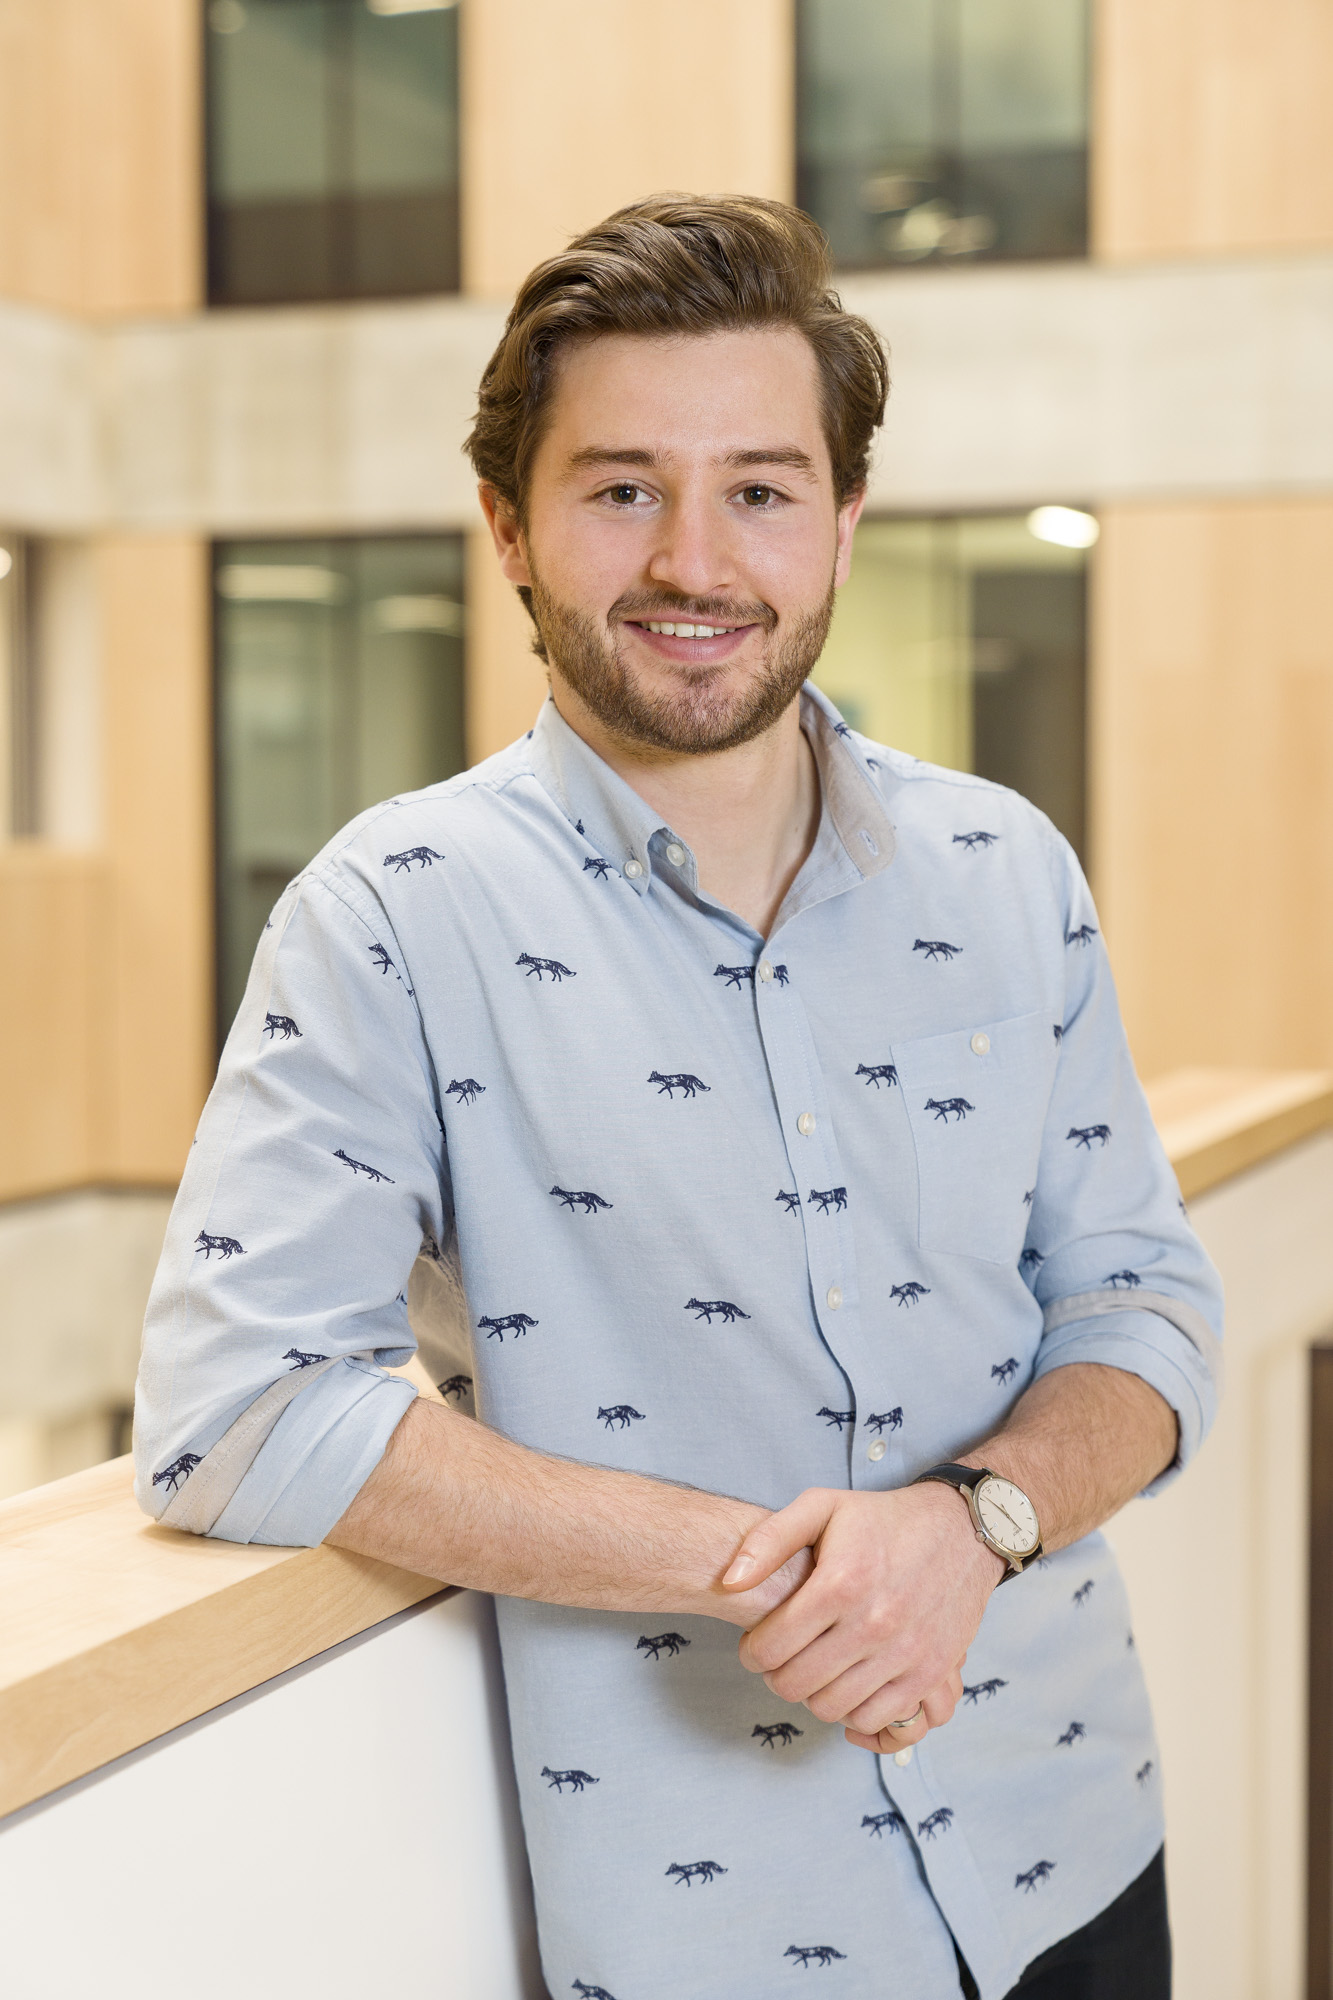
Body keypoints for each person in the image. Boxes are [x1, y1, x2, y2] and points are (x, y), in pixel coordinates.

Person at [135, 194, 1221, 2000]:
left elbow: (1143, 1306)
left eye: (762, 488)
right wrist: (774, 1568)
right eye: (622, 486)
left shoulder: (1003, 869)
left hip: (1070, 1840)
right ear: (510, 525)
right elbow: (240, 1408)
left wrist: (968, 1530)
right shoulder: (391, 919)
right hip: (707, 1935)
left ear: (844, 523)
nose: (694, 559)